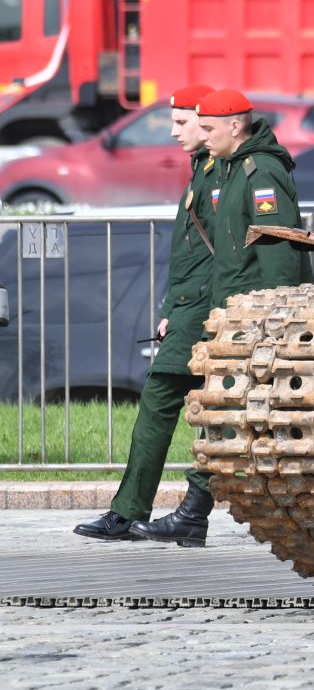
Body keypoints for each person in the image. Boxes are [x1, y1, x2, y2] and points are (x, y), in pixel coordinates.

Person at [123, 89, 307, 546]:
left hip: (254, 315)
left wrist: (277, 316)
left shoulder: (259, 171)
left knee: (230, 412)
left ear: (235, 127)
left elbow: (277, 247)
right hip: (230, 311)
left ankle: (195, 511)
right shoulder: (229, 168)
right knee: (222, 412)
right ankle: (193, 513)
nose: (199, 137)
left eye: (207, 128)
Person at [74, 84, 216, 542]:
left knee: (216, 414)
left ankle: (182, 510)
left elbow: (229, 257)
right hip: (191, 309)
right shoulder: (204, 169)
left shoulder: (230, 173)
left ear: (209, 120)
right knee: (176, 406)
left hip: (211, 312)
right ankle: (143, 510)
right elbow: (192, 255)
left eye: (182, 122)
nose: (174, 132)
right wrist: (171, 309)